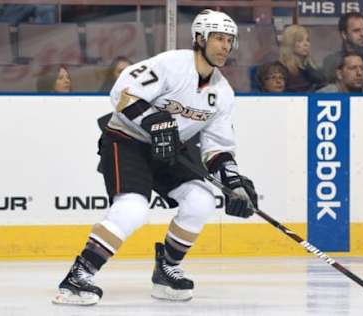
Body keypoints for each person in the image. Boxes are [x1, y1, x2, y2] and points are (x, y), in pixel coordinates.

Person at [51, 9, 258, 305]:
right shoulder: (172, 64)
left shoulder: (223, 93)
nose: (226, 46)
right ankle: (79, 275)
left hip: (172, 150)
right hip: (127, 142)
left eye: (230, 40)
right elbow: (122, 92)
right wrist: (154, 120)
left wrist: (234, 183)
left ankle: (167, 269)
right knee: (133, 207)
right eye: (218, 39)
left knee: (201, 199)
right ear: (199, 38)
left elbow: (217, 147)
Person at [278, 24, 325, 92]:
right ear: (290, 43)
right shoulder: (281, 70)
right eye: (300, 41)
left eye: (307, 40)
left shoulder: (311, 67)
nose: (306, 44)